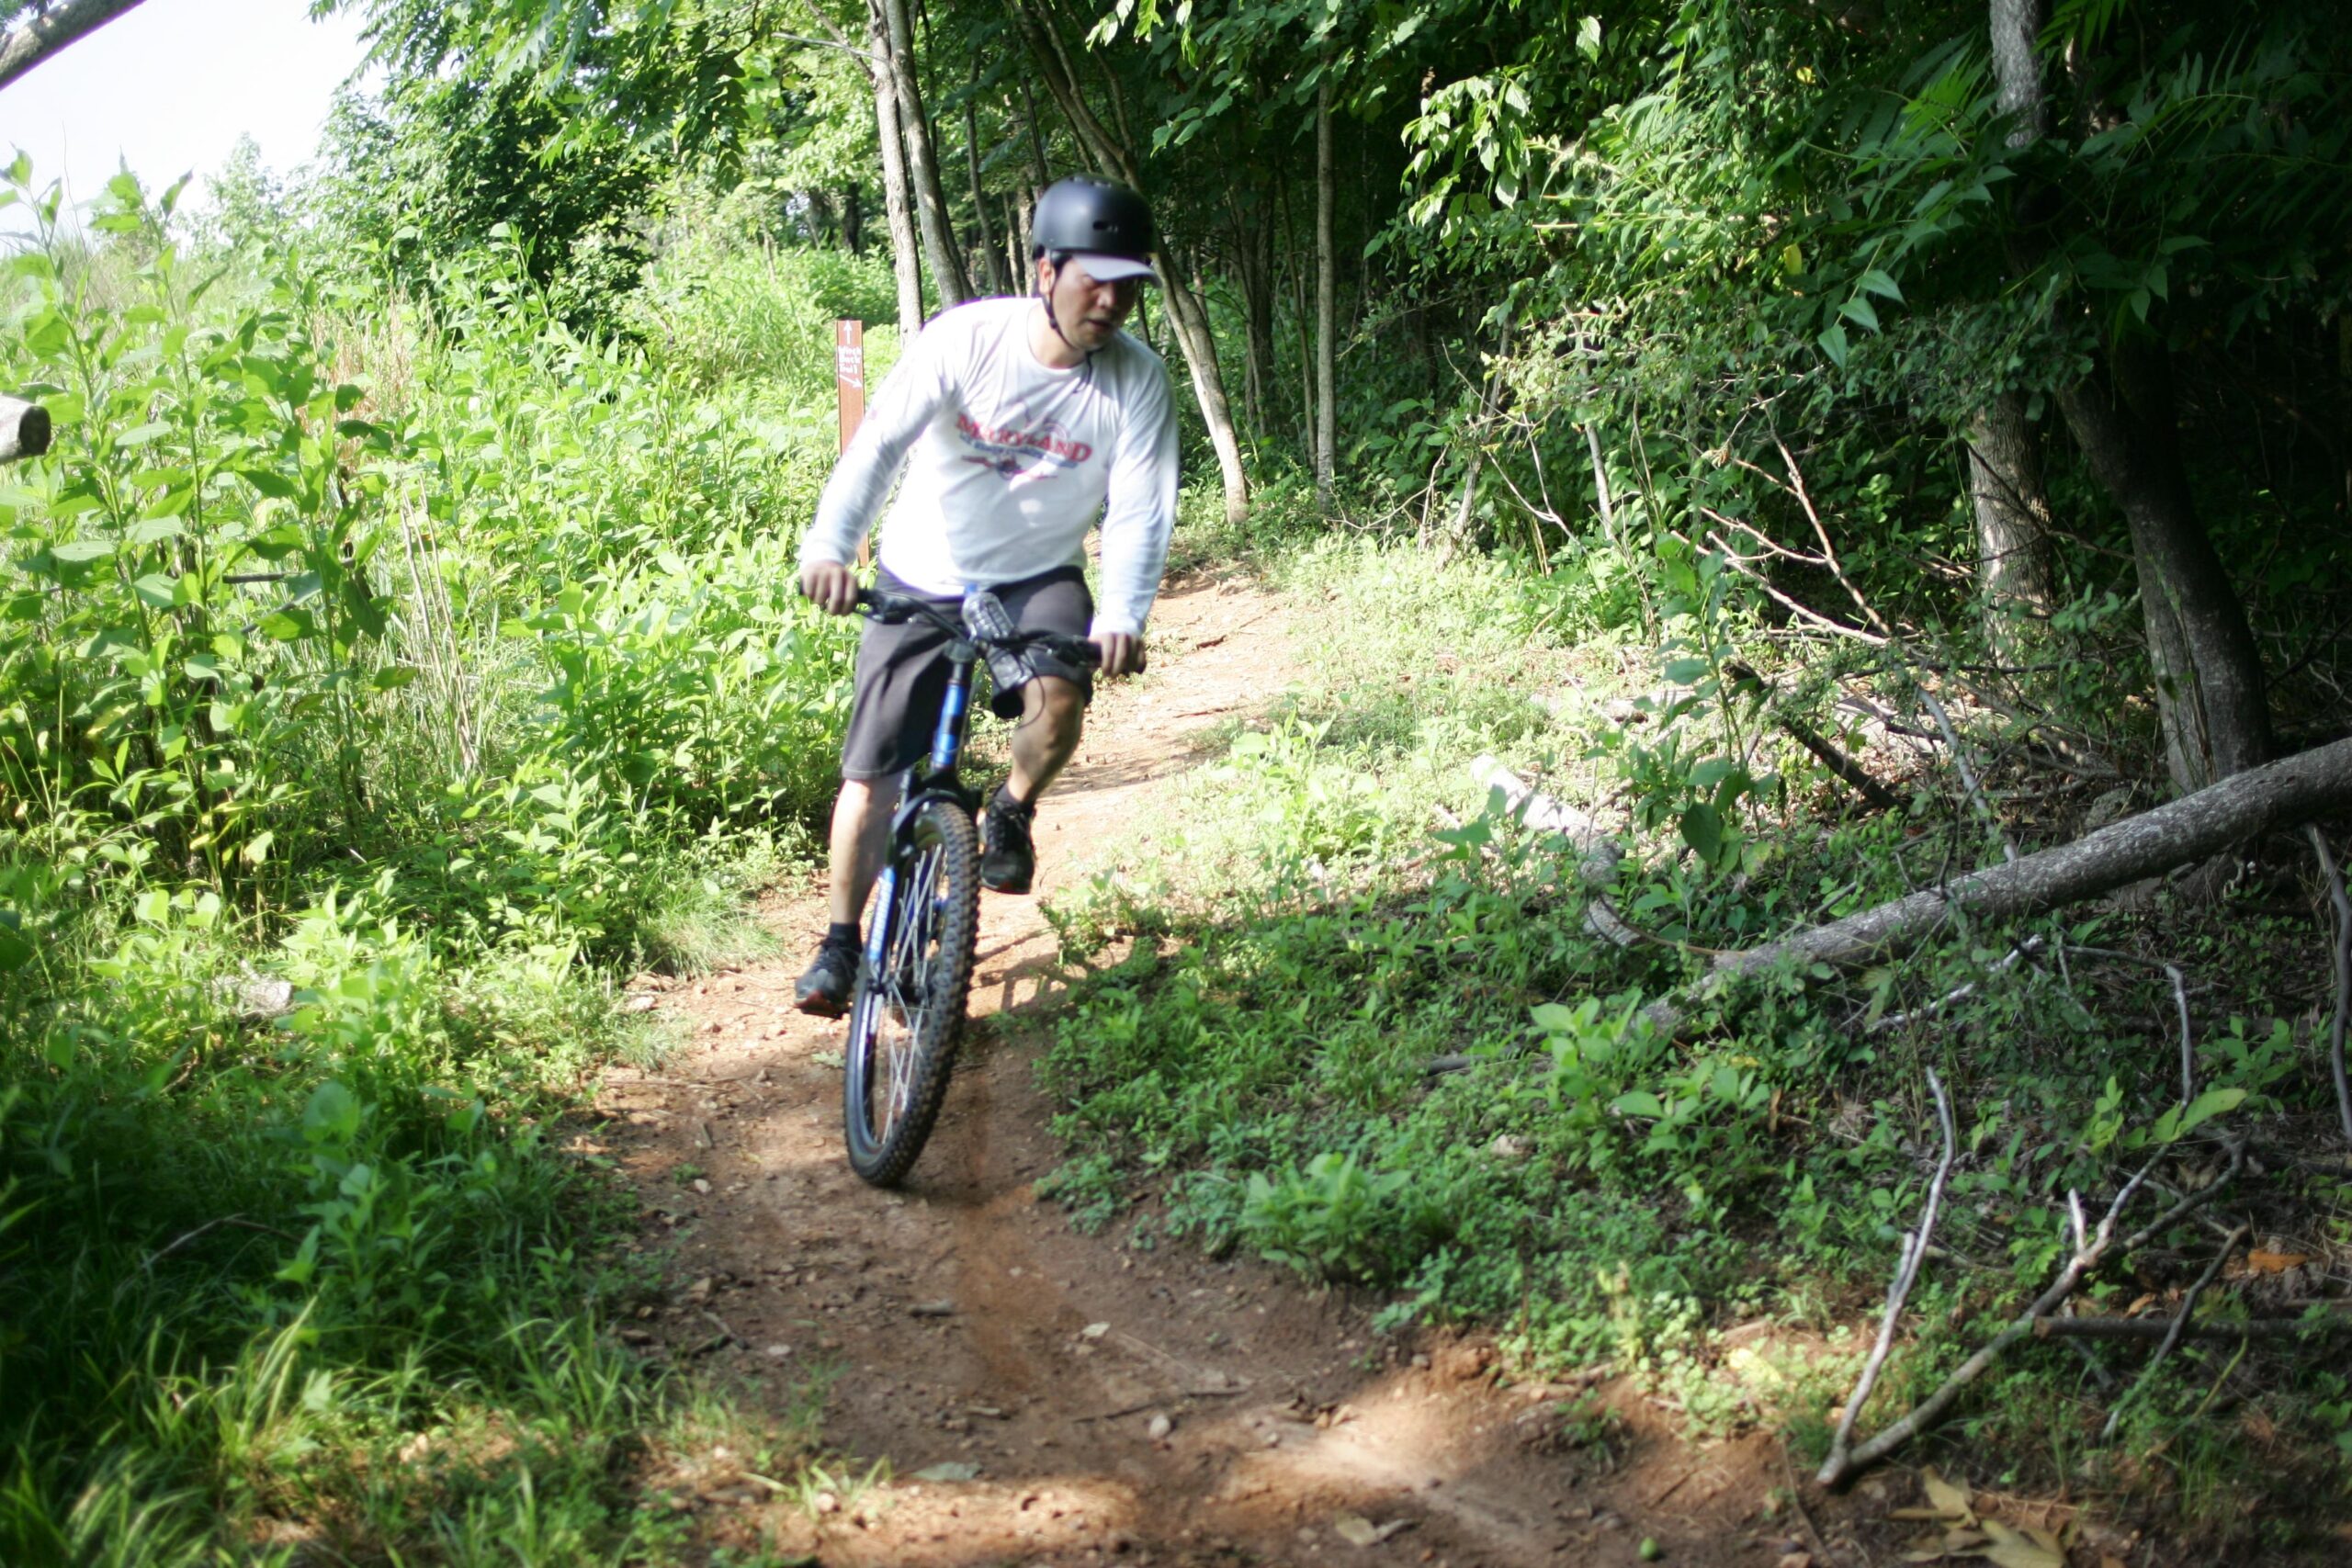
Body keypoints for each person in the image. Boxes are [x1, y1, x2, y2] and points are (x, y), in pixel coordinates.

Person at [792, 175, 1181, 1017]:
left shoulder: (1136, 381)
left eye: (1128, 284)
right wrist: (829, 546)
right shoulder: (966, 339)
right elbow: (880, 443)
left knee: (1061, 700)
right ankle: (840, 941)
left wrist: (1122, 614)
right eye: (1093, 279)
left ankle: (1008, 811)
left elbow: (1142, 505)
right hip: (922, 571)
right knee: (871, 774)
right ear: (1046, 271)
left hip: (1038, 574)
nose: (1110, 301)